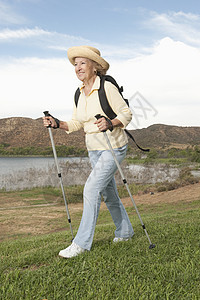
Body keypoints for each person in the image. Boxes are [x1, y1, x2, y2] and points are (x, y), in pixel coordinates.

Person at [43, 45, 134, 258]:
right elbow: (77, 123)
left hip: (113, 147)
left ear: (95, 67)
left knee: (91, 189)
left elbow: (126, 114)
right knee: (108, 194)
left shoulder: (106, 87)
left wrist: (110, 122)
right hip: (94, 151)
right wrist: (57, 123)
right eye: (76, 64)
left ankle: (81, 243)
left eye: (83, 63)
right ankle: (125, 231)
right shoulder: (79, 93)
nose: (78, 67)